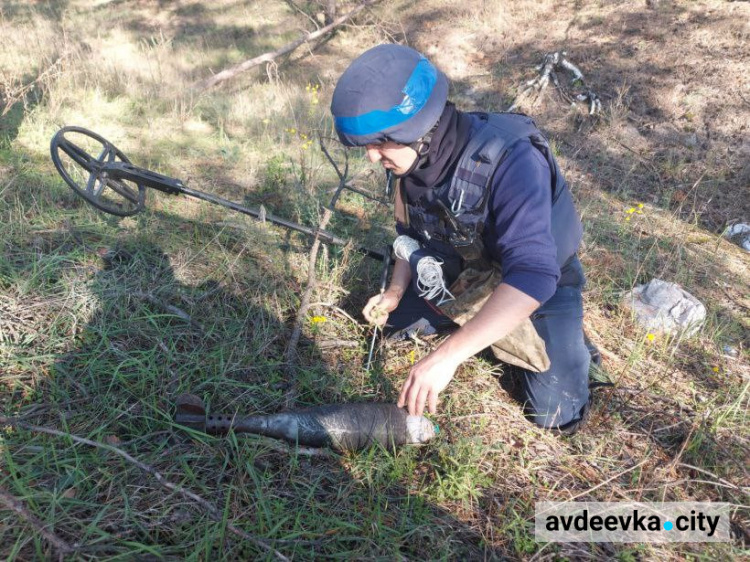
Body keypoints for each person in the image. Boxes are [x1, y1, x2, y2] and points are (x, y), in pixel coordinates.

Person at [330, 44, 597, 434]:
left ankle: (569, 343)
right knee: (392, 327)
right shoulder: (411, 160)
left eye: (380, 143)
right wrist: (394, 291)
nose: (372, 158)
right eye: (367, 146)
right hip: (465, 271)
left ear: (417, 128)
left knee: (553, 414)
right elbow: (408, 235)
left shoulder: (511, 159)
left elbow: (533, 275)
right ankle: (482, 327)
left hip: (537, 281)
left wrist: (447, 357)